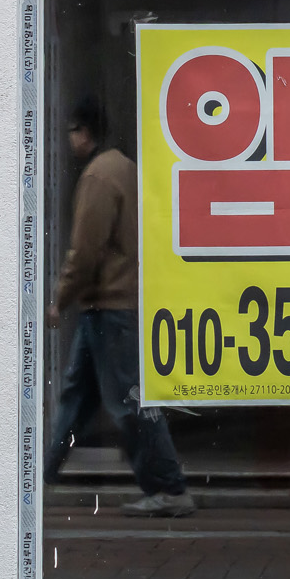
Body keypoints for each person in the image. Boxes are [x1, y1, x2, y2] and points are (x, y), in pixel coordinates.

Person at [44, 95, 196, 517]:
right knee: (78, 398)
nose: (70, 140)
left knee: (126, 404)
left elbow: (85, 251)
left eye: (73, 131)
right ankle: (42, 476)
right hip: (115, 305)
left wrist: (60, 299)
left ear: (85, 132)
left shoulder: (97, 177)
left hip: (109, 307)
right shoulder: (127, 169)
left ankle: (170, 487)